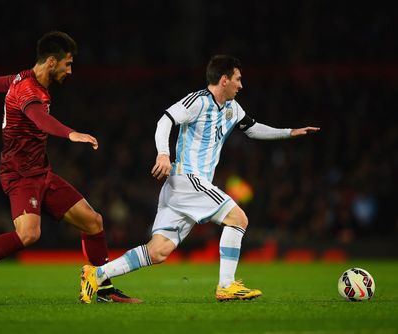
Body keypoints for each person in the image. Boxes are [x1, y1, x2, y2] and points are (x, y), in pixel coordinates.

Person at [79, 55, 320, 303]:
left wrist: (290, 133)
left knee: (158, 251)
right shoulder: (198, 101)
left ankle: (96, 274)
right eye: (238, 79)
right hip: (188, 179)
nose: (241, 85)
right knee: (238, 218)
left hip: (182, 188)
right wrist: (163, 154)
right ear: (224, 80)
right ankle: (226, 286)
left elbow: (253, 128)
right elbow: (165, 121)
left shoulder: (232, 108)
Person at [0, 31, 141, 306]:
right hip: (19, 175)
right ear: (52, 61)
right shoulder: (27, 90)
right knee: (29, 234)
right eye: (68, 63)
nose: (70, 70)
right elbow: (40, 120)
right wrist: (71, 134)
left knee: (93, 221)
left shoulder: (20, 78)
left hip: (41, 173)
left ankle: (101, 287)